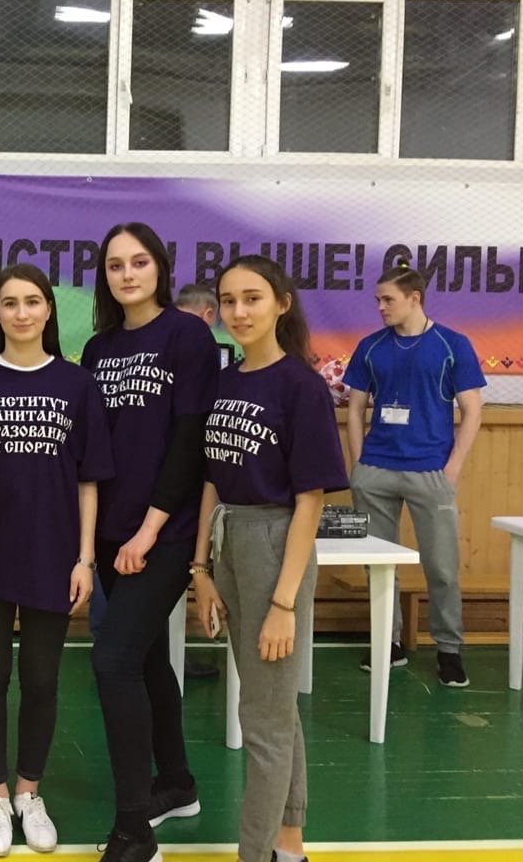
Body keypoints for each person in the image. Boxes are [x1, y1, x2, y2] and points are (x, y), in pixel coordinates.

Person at [0, 264, 113, 857]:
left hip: (53, 555)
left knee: (41, 680)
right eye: (9, 302)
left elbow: (89, 480)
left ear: (48, 310)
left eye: (32, 301)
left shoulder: (76, 383)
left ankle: (28, 793)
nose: (21, 312)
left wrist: (85, 559)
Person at [192, 254, 348, 862]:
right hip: (229, 538)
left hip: (274, 544)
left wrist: (284, 603)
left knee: (262, 717)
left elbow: (310, 501)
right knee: (274, 708)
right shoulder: (226, 380)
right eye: (229, 301)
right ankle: (290, 844)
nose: (238, 311)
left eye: (252, 298)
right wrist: (202, 570)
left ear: (282, 304)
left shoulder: (301, 387)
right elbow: (211, 479)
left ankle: (253, 854)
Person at [80, 223, 219, 862]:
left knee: (112, 660)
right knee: (144, 659)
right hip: (111, 533)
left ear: (160, 268)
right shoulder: (98, 348)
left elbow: (190, 441)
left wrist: (150, 528)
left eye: (138, 262)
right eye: (115, 265)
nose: (127, 274)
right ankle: (177, 783)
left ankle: (135, 831)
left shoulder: (187, 336)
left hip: (163, 531)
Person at [343, 264, 484, 687]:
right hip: (376, 471)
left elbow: (472, 411)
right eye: (377, 300)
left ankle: (449, 650)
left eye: (388, 299)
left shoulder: (452, 345)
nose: (380, 307)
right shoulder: (370, 347)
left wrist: (452, 469)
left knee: (441, 567)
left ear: (414, 298)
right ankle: (389, 643)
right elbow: (355, 408)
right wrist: (359, 465)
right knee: (378, 563)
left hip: (430, 471)